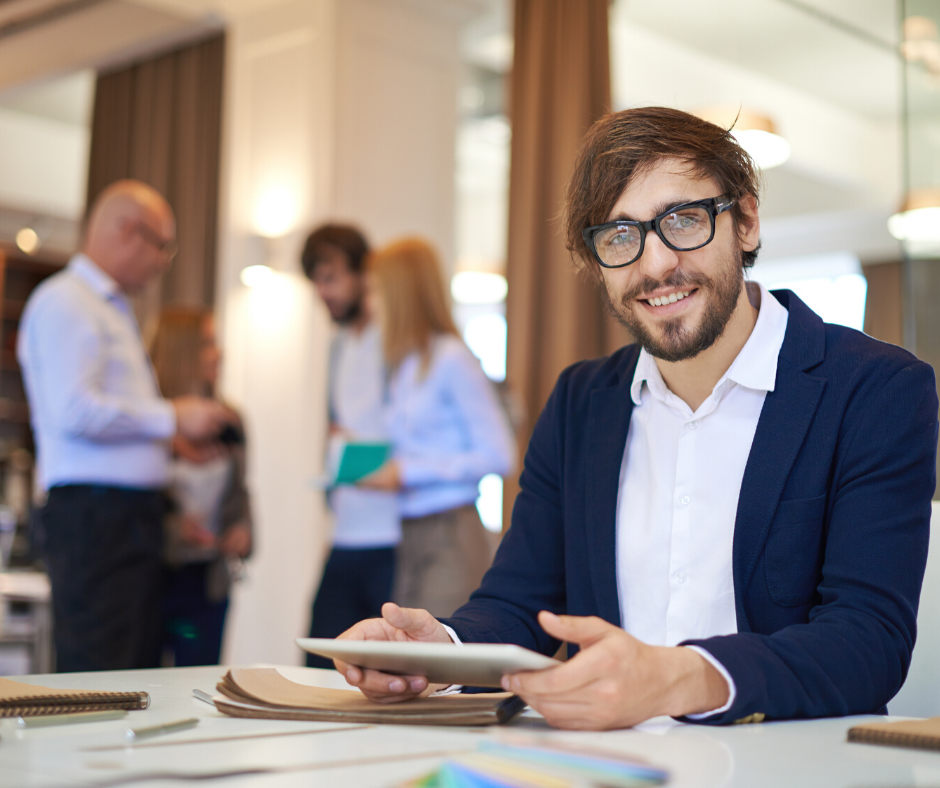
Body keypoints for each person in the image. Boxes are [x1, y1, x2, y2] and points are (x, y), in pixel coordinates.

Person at [333, 107, 939, 729]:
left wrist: (678, 677)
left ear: (747, 222)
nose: (653, 265)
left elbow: (868, 643)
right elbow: (520, 603)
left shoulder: (875, 390)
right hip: (608, 763)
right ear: (597, 262)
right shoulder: (581, 402)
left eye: (683, 220)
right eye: (620, 236)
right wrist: (445, 652)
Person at [17, 180, 231, 672]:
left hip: (121, 517)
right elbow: (75, 411)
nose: (163, 261)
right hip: (97, 519)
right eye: (162, 245)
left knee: (131, 673)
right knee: (101, 672)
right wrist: (173, 416)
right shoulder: (68, 302)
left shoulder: (107, 308)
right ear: (125, 231)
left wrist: (168, 443)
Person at [359, 238, 516, 618]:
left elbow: (501, 454)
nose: (370, 304)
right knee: (410, 658)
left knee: (436, 665)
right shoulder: (406, 365)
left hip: (450, 530)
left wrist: (409, 472)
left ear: (401, 295)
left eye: (377, 291)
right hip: (409, 531)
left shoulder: (451, 359)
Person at [301, 224, 401, 669]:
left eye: (331, 277)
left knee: (388, 672)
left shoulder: (395, 338)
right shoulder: (339, 344)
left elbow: (417, 433)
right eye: (316, 281)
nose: (323, 292)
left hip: (393, 537)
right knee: (321, 664)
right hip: (346, 532)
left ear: (364, 274)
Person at [150, 307, 252, 666]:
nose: (219, 352)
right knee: (143, 684)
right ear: (183, 351)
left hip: (209, 581)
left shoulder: (230, 419)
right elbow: (140, 502)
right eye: (209, 343)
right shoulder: (151, 422)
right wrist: (176, 530)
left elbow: (241, 494)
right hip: (156, 575)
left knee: (198, 682)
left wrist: (243, 529)